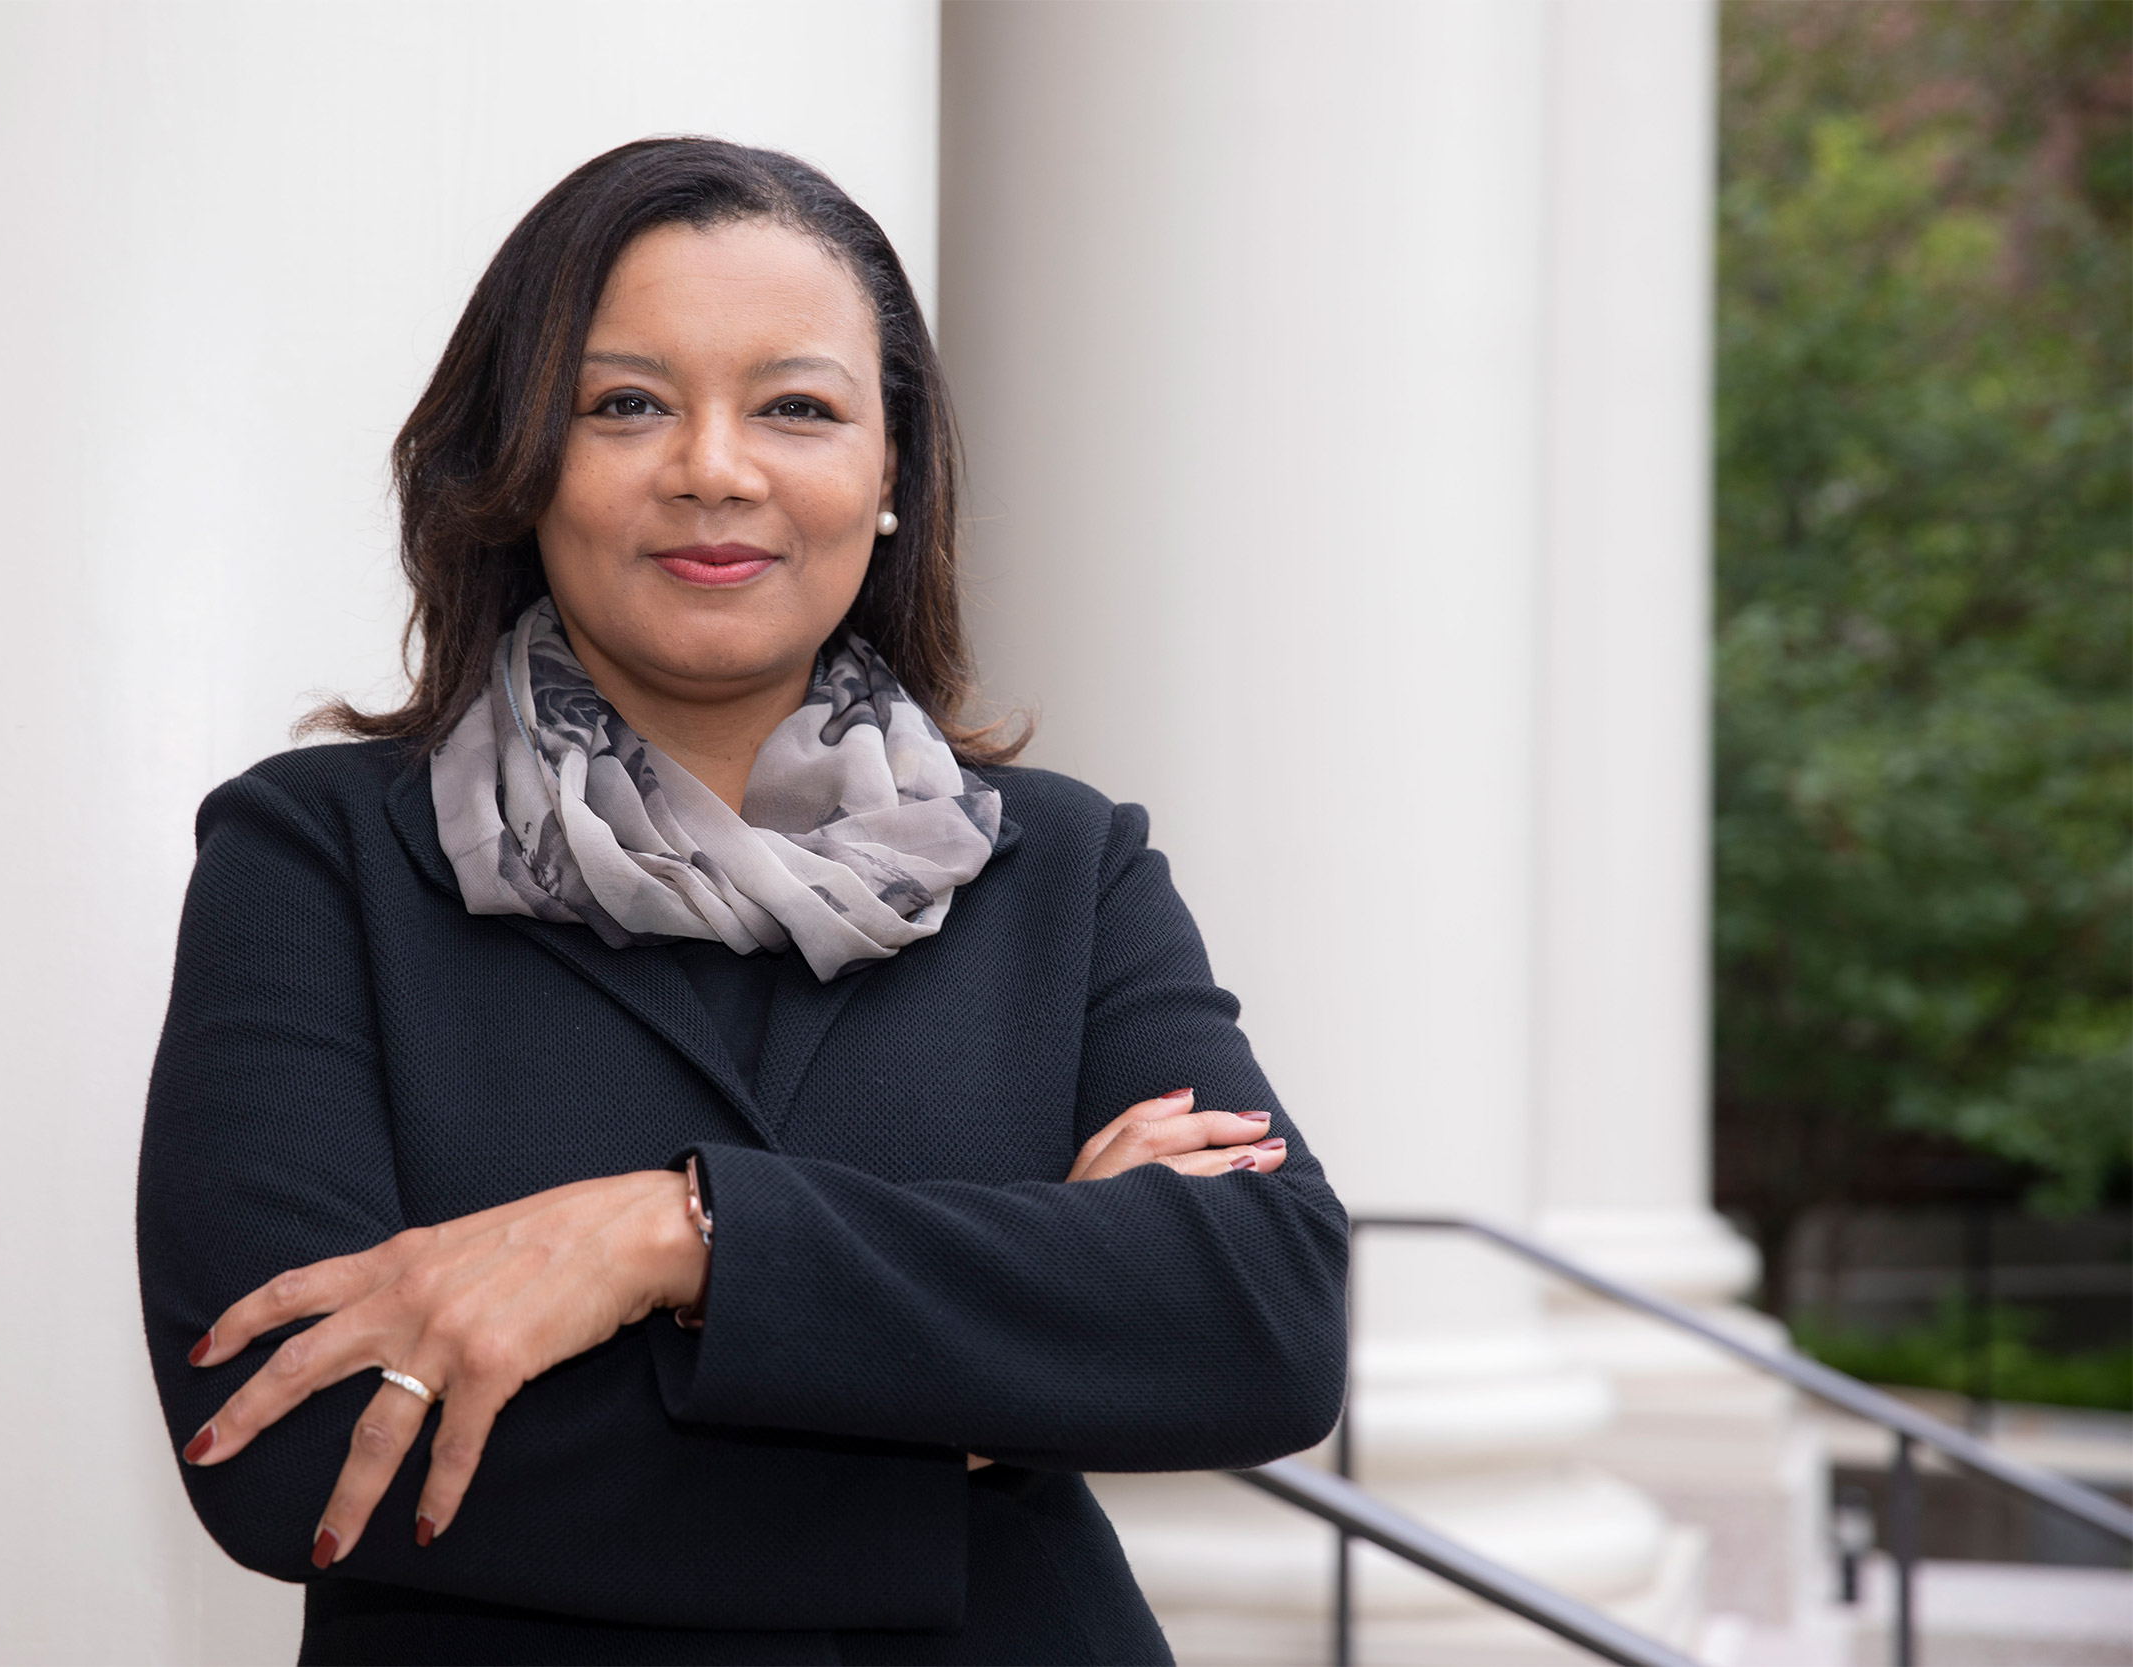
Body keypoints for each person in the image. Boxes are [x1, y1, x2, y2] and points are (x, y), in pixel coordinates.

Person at [136, 137, 1348, 1667]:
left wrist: (676, 1237)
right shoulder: (317, 859)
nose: (716, 466)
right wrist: (971, 1426)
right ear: (518, 461)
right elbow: (291, 1441)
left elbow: (1268, 1317)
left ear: (890, 470)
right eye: (627, 403)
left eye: (798, 406)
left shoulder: (1063, 867)